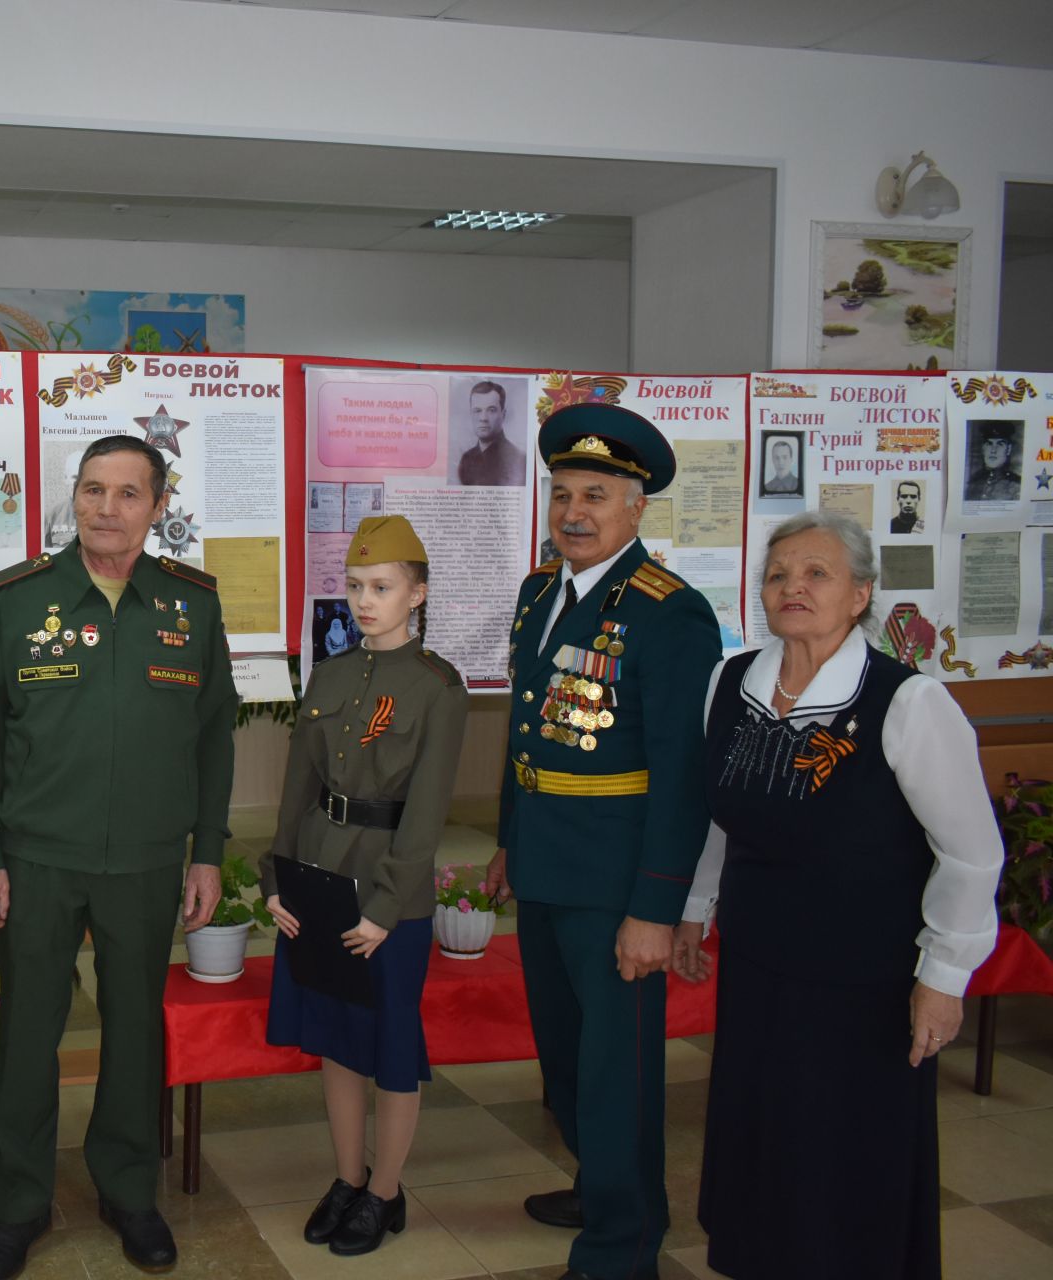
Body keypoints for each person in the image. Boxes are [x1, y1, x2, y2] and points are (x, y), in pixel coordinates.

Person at [673, 510, 1001, 1280]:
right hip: (760, 967)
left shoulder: (909, 703)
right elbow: (720, 816)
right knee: (765, 1141)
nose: (793, 587)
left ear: (860, 595)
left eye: (816, 573)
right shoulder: (730, 683)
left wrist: (943, 978)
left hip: (867, 982)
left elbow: (973, 854)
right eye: (779, 574)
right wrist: (696, 908)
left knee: (848, 1159)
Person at [0, 434, 236, 1280]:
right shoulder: (19, 600)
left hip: (148, 861)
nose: (105, 509)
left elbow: (215, 737)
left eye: (126, 494)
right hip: (37, 859)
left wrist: (208, 854)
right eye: (91, 490)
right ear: (72, 498)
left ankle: (128, 1193)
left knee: (136, 1033)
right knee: (31, 1036)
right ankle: (19, 1206)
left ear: (157, 508)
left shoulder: (191, 605)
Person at [485, 403, 721, 1280]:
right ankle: (598, 1186)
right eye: (562, 495)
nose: (573, 513)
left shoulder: (670, 614)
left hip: (616, 881)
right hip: (546, 862)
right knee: (566, 1056)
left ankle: (625, 1242)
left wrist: (657, 907)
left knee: (617, 1068)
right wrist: (510, 839)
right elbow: (526, 732)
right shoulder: (540, 592)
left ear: (636, 508)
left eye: (594, 496)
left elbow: (682, 773)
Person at [261, 515, 467, 1256]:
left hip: (387, 889)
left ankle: (386, 1192)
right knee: (336, 1037)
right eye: (355, 587)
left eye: (381, 587)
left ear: (416, 593)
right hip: (319, 872)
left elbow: (428, 813)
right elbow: (298, 789)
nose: (365, 601)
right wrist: (277, 879)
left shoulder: (438, 687)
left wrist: (385, 907)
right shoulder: (332, 674)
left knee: (389, 1042)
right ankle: (349, 1178)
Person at [455, 381, 526, 487]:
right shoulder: (466, 458)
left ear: (503, 414)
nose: (483, 418)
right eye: (477, 411)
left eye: (491, 410)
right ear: (471, 414)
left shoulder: (517, 460)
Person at [964, 422, 1022, 502]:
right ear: (983, 448)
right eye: (989, 444)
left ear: (1008, 449)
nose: (993, 450)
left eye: (1000, 444)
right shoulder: (973, 482)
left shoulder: (1017, 485)